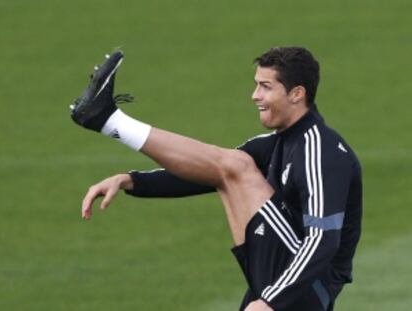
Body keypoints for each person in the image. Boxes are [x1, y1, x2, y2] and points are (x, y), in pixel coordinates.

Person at [70, 47, 362, 311]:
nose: (255, 96)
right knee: (233, 165)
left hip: (305, 291)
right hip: (282, 281)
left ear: (297, 94)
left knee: (236, 166)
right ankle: (107, 120)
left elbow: (323, 240)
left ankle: (108, 120)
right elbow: (209, 172)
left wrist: (272, 300)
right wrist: (131, 181)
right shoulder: (280, 143)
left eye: (265, 87)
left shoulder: (320, 151)